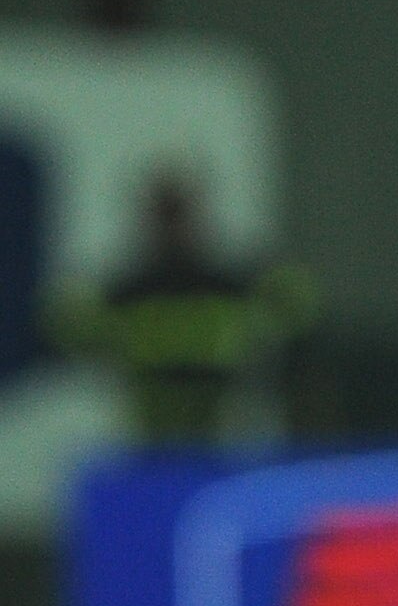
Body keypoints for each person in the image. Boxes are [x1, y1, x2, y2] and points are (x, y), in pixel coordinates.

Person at [59, 171, 308, 445]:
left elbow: (296, 307)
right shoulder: (129, 290)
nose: (172, 229)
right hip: (149, 425)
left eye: (178, 216)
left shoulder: (227, 284)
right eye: (164, 217)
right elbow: (75, 328)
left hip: (221, 421)